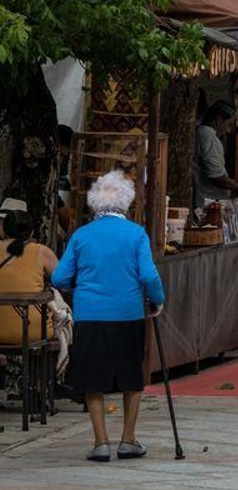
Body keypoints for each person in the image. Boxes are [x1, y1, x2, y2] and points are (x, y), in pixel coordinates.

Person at [51, 171, 165, 460]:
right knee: (131, 377)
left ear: (94, 204)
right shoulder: (136, 234)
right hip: (127, 314)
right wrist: (157, 300)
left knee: (92, 378)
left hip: (90, 315)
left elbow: (60, 277)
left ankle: (101, 442)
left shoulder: (81, 235)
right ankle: (128, 439)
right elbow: (149, 275)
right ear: (126, 204)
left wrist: (83, 284)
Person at [0, 210, 59, 347]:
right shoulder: (41, 251)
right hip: (34, 332)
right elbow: (63, 281)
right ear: (31, 232)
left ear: (3, 230)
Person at [193, 101, 238, 206]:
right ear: (218, 120)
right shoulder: (209, 138)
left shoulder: (201, 133)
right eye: (228, 125)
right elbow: (215, 176)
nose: (228, 131)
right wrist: (237, 186)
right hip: (210, 200)